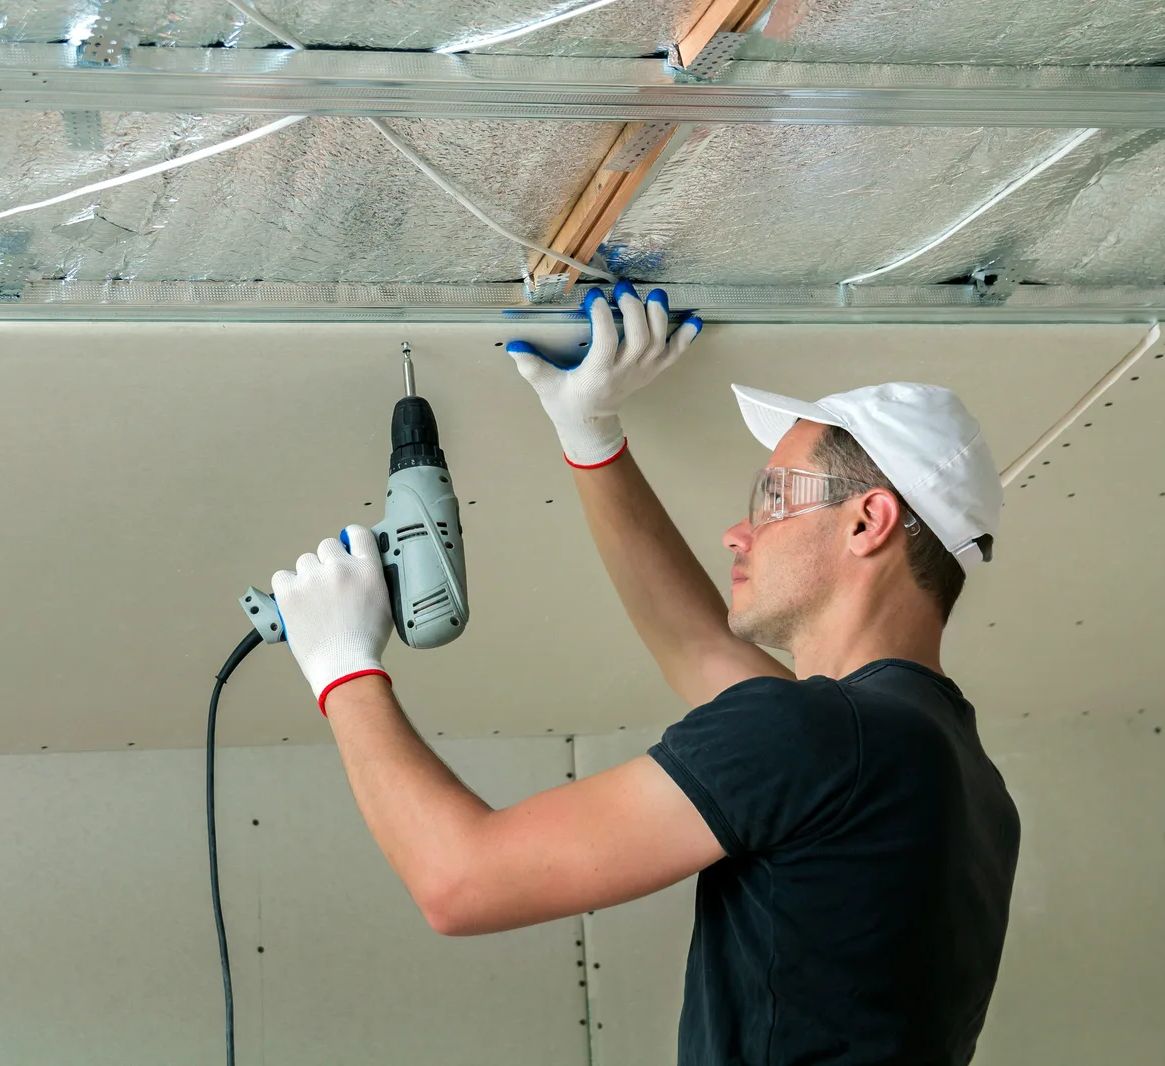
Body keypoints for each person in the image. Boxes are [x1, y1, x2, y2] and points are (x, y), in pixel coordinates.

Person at [269, 282, 1020, 1066]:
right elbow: (697, 648)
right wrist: (590, 435)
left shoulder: (824, 737)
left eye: (773, 500)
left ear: (868, 522)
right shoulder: (952, 771)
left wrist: (341, 667)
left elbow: (459, 880)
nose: (739, 533)